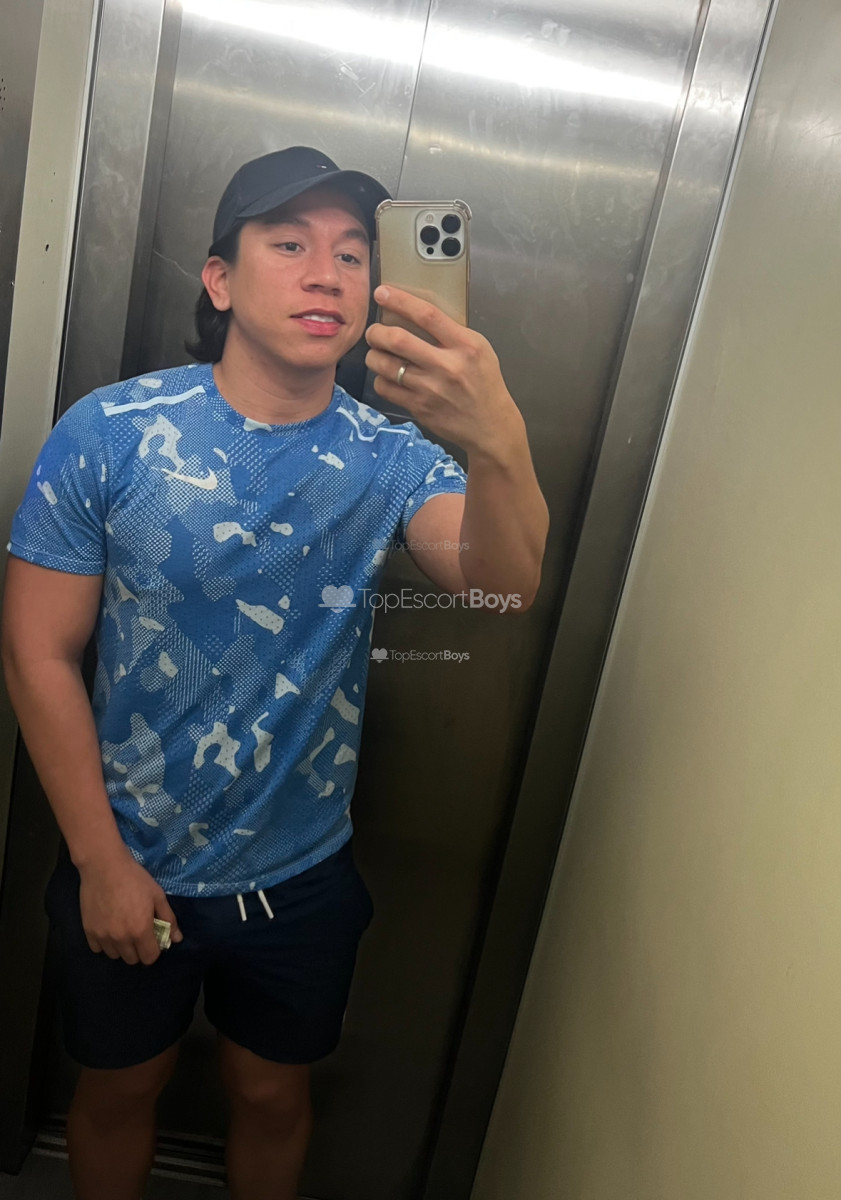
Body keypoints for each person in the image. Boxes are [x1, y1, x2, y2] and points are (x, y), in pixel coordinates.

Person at [0, 145, 549, 1200]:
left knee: (270, 1096)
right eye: (288, 244)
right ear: (220, 279)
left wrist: (498, 440)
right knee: (119, 1089)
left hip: (299, 878)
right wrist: (100, 862)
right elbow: (37, 650)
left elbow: (500, 587)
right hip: (128, 855)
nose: (325, 273)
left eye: (351, 253)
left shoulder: (393, 456)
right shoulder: (111, 433)